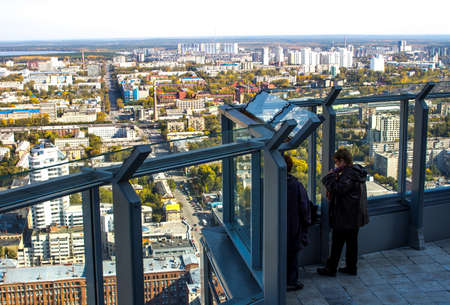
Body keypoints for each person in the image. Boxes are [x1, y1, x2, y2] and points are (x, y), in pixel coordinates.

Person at [317, 148, 369, 277]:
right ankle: (351, 267)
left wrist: (329, 177)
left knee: (337, 243)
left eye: (337, 162)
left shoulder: (348, 175)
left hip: (345, 216)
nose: (336, 165)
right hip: (355, 215)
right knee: (352, 243)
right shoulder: (358, 172)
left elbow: (338, 189)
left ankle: (331, 268)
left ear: (342, 161)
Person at [284, 154, 311, 291]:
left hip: (273, 228)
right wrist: (306, 223)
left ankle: (277, 280)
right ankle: (291, 282)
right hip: (293, 227)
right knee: (292, 256)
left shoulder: (268, 183)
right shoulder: (296, 185)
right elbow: (304, 207)